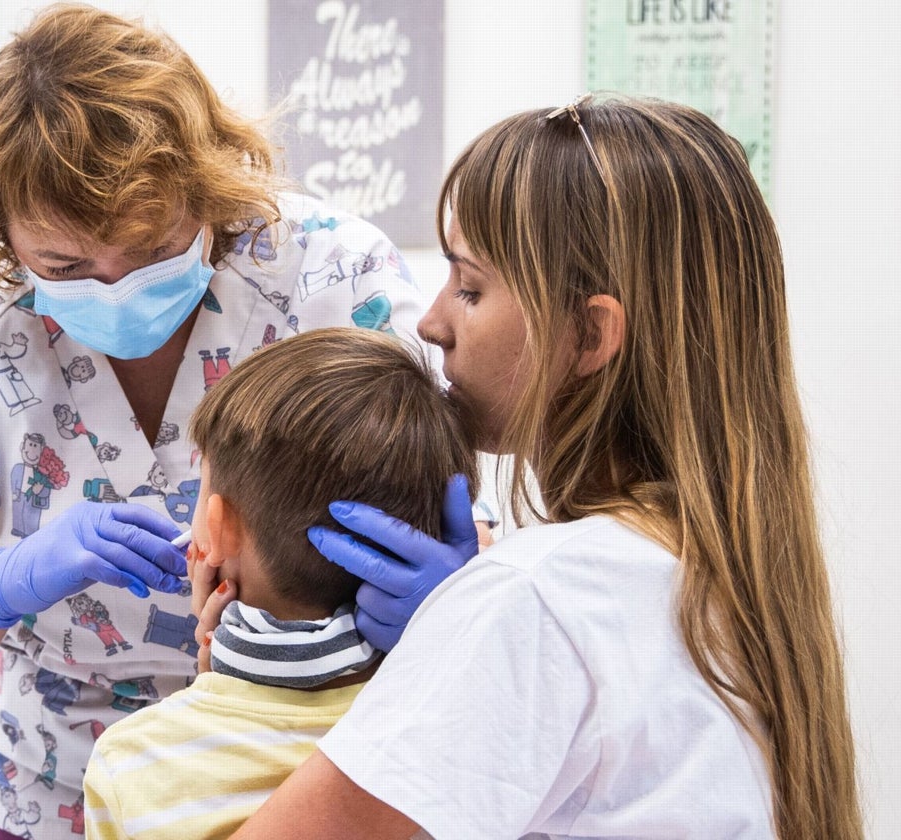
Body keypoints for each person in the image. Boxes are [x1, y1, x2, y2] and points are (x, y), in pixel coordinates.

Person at [0, 6, 464, 839]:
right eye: (64, 267)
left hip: (309, 773)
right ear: (2, 241)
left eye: (154, 247)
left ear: (209, 188)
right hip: (51, 780)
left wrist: (451, 606)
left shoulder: (331, 277)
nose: (116, 287)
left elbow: (455, 524)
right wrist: (0, 584)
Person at [214, 96, 863, 838]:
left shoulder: (537, 597)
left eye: (470, 287)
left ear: (589, 333)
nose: (431, 324)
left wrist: (227, 693)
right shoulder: (728, 583)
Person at [81, 326, 480, 839]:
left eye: (199, 492)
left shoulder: (132, 761)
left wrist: (216, 689)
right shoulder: (451, 732)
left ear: (217, 532)